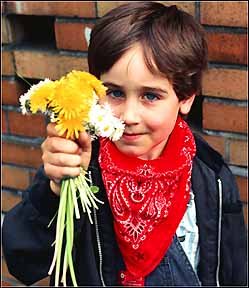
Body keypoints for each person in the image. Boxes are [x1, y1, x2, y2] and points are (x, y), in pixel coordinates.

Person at [2, 2, 247, 286]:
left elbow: (234, 268)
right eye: (115, 93)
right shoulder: (81, 169)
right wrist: (53, 191)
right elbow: (24, 261)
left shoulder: (211, 176)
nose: (129, 117)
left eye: (150, 96)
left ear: (186, 98)